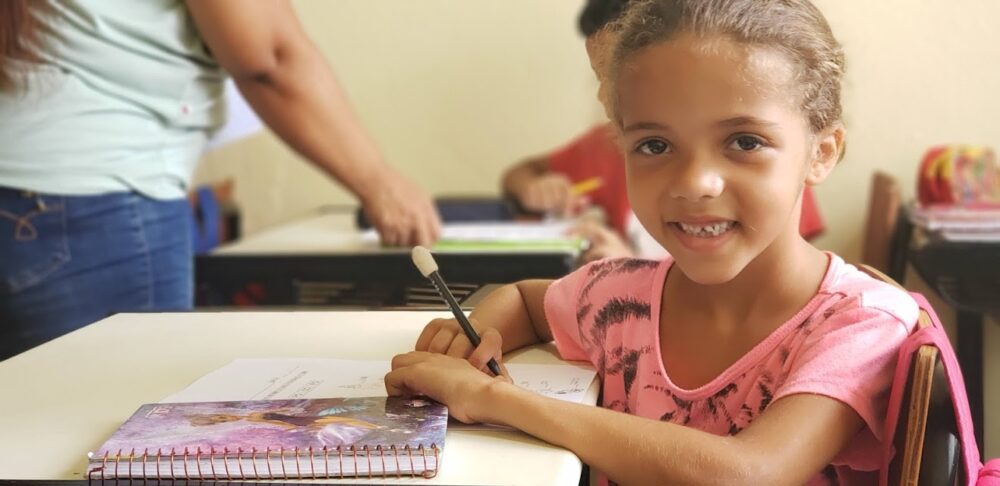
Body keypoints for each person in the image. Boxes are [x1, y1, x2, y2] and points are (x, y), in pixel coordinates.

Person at [385, 0, 919, 483]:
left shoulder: (861, 322)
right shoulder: (619, 299)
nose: (694, 182)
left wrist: (492, 399)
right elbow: (527, 300)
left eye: (745, 141)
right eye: (655, 144)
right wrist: (476, 335)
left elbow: (750, 474)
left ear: (822, 151)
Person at [0, 0, 441, 359]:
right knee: (114, 450)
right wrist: (379, 182)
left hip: (37, 198)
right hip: (92, 206)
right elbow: (269, 56)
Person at [502, 0, 825, 262]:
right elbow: (522, 173)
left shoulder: (777, 158)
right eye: (600, 76)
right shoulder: (607, 142)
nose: (607, 95)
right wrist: (535, 187)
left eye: (744, 142)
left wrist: (636, 271)